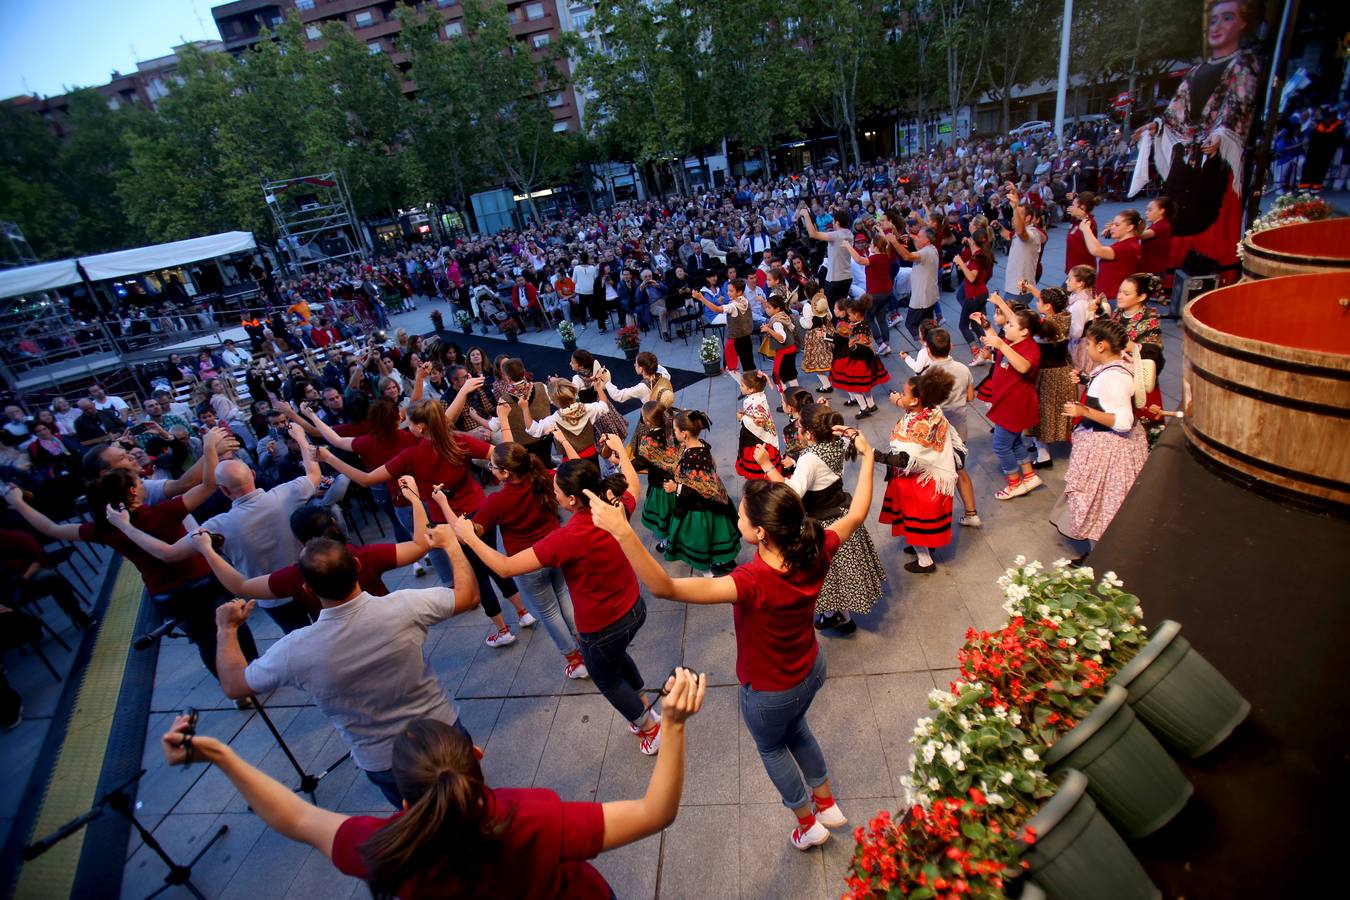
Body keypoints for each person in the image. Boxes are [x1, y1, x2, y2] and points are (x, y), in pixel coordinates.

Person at [156, 668, 707, 896]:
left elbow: (296, 817)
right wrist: (675, 726)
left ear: (401, 797)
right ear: (477, 757)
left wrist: (221, 755)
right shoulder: (530, 817)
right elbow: (654, 813)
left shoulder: (387, 848)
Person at [587, 432, 875, 850]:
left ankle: (808, 823)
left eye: (741, 516)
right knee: (797, 729)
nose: (737, 517)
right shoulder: (817, 547)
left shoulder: (751, 581)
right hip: (811, 668)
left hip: (771, 690)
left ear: (761, 533)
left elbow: (666, 587)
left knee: (772, 747)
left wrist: (623, 533)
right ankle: (827, 803)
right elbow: (859, 511)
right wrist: (867, 457)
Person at [212, 528, 479, 806]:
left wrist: (226, 629)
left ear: (308, 589)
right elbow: (468, 596)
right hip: (442, 730)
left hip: (383, 759)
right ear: (357, 566)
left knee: (420, 821)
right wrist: (451, 545)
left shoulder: (294, 649)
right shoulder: (405, 605)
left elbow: (235, 685)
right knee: (475, 803)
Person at [449, 443, 664, 755]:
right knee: (616, 658)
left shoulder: (566, 539)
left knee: (607, 679)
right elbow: (633, 484)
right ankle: (645, 706)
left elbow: (506, 567)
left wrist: (469, 537)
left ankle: (650, 728)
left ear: (571, 499)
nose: (554, 493)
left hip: (602, 626)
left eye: (558, 491)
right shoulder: (612, 509)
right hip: (634, 606)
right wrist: (619, 446)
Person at [5, 428, 259, 682]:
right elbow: (208, 485)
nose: (139, 477)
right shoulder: (163, 513)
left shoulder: (105, 529)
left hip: (165, 594)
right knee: (234, 625)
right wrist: (209, 448)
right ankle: (252, 674)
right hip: (201, 582)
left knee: (206, 640)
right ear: (133, 492)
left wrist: (18, 503)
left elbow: (51, 529)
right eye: (137, 481)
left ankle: (233, 685)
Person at [317, 398, 532, 647]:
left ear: (420, 427)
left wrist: (329, 459)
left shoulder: (411, 455)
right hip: (479, 510)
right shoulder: (458, 442)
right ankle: (523, 612)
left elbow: (367, 479)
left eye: (409, 422)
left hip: (449, 521)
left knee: (478, 574)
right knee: (492, 560)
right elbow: (500, 454)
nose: (406, 426)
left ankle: (502, 630)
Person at [115, 422, 323, 635]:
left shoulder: (218, 525)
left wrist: (126, 527)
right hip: (308, 581)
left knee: (299, 637)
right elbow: (314, 473)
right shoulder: (287, 493)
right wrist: (300, 437)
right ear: (252, 474)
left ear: (223, 489)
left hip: (272, 597)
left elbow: (168, 554)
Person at [1129, 0, 1261, 281]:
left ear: (1242, 23)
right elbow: (1176, 111)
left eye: (1227, 18)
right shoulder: (1196, 71)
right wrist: (1156, 125)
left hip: (1215, 157)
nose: (1217, 26)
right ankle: (1170, 276)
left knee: (1208, 215)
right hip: (1187, 156)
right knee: (1177, 217)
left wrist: (1221, 135)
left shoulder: (1243, 65)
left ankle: (1214, 275)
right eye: (1213, 20)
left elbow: (1238, 106)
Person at [465, 442, 589, 680]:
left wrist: (446, 508)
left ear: (506, 473)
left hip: (528, 563)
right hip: (556, 550)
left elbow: (475, 530)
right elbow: (572, 468)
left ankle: (575, 661)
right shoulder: (542, 479)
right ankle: (586, 646)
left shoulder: (497, 500)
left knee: (549, 612)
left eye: (493, 467)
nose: (491, 470)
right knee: (565, 597)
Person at [756, 405, 886, 632]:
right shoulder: (837, 443)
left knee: (825, 575)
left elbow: (792, 494)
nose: (796, 429)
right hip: (840, 513)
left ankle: (832, 615)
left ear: (809, 434)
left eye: (799, 426)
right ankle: (841, 615)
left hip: (821, 522)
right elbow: (847, 442)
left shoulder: (809, 459)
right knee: (840, 573)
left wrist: (767, 465)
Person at [187, 504, 427, 618]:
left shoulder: (298, 575)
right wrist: (414, 498)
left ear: (300, 541)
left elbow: (242, 586)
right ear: (334, 524)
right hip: (386, 620)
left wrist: (207, 550)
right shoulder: (365, 556)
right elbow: (419, 546)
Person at [1052, 320, 1150, 551]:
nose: (1086, 348)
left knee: (1101, 506)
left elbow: (1123, 421)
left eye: (1088, 344)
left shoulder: (1112, 377)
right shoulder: (1119, 365)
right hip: (1111, 448)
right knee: (1103, 505)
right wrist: (1086, 380)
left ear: (1101, 346)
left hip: (1108, 453)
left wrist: (1084, 411)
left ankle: (1100, 558)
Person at [876, 370, 966, 574]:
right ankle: (926, 546)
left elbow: (905, 459)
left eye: (904, 394)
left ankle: (925, 560)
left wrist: (874, 454)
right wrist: (899, 401)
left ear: (916, 400)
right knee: (923, 523)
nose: (900, 396)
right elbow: (910, 405)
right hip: (933, 478)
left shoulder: (919, 427)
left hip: (917, 483)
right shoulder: (933, 411)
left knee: (913, 520)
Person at [297, 397, 420, 544]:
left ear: (372, 421)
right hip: (421, 494)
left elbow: (336, 440)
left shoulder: (367, 442)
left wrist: (312, 416)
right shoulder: (413, 438)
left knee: (402, 527)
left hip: (399, 500)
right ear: (399, 417)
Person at [973, 295, 1044, 500]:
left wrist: (1002, 346)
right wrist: (986, 326)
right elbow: (998, 343)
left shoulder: (1030, 348)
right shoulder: (1013, 341)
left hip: (1015, 405)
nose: (1006, 326)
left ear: (1024, 331)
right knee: (1014, 442)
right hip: (1007, 403)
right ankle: (1029, 476)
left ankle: (1014, 483)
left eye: (1011, 324)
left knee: (1000, 446)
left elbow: (1024, 366)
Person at [662, 410, 741, 577]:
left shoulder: (693, 459)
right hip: (716, 501)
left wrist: (676, 488)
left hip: (698, 508)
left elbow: (698, 489)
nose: (673, 433)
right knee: (717, 536)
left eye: (675, 430)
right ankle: (723, 561)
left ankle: (708, 572)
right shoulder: (701, 445)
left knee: (700, 541)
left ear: (684, 434)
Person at [917, 328, 980, 528]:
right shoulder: (963, 369)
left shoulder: (927, 374)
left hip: (937, 433)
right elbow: (971, 397)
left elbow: (921, 406)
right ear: (951, 346)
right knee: (959, 470)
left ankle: (934, 518)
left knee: (935, 475)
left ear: (928, 351)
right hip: (960, 430)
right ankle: (971, 513)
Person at [1026, 285, 1075, 467]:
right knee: (1054, 410)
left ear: (1048, 306)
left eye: (1039, 300)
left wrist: (1000, 303)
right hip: (1063, 371)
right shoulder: (1064, 316)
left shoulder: (1046, 326)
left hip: (1047, 374)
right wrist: (1032, 289)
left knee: (1042, 411)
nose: (1037, 302)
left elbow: (1022, 325)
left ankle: (1043, 454)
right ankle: (1043, 444)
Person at [632, 400, 680, 552]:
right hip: (677, 482)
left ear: (648, 421)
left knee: (662, 515)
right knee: (675, 514)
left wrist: (620, 462)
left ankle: (666, 542)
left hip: (660, 486)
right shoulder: (674, 429)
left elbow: (641, 462)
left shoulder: (649, 441)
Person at [829, 295, 889, 418]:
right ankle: (871, 404)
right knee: (864, 385)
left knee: (853, 386)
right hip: (866, 360)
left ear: (856, 315)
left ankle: (863, 407)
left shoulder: (859, 329)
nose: (848, 317)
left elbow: (861, 346)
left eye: (850, 315)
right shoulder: (863, 324)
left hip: (859, 361)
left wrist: (853, 346)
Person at [1080, 209, 1143, 303]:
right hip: (1110, 296)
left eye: (1117, 225)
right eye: (1112, 224)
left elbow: (1096, 250)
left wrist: (1086, 229)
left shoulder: (1128, 247)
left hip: (1114, 298)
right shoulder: (1129, 243)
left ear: (1129, 227)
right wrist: (1114, 231)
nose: (1112, 227)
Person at [728, 369, 780, 479]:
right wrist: (746, 414)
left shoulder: (754, 402)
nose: (740, 387)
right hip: (762, 438)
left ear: (751, 389)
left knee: (756, 469)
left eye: (742, 385)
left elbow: (754, 424)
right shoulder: (760, 396)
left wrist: (742, 418)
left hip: (755, 441)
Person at [797, 205, 856, 303]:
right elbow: (844, 218)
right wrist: (836, 210)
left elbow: (813, 234)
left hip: (835, 279)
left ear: (837, 222)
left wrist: (806, 215)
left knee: (832, 308)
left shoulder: (836, 235)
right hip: (847, 278)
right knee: (842, 307)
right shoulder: (850, 234)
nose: (832, 223)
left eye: (833, 221)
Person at [698, 276, 756, 373]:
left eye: (731, 291)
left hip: (736, 338)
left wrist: (702, 298)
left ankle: (739, 375)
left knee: (733, 363)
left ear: (739, 292)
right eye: (728, 290)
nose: (728, 293)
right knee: (748, 363)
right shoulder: (744, 300)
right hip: (746, 335)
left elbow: (717, 309)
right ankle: (750, 378)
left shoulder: (733, 306)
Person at [997, 186, 1043, 303]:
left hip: (1019, 290)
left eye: (1018, 214)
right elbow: (1009, 235)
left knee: (1008, 314)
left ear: (1028, 218)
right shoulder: (1019, 232)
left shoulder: (1032, 233)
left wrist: (1015, 207)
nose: (1014, 217)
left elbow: (1021, 232)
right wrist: (998, 227)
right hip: (1016, 288)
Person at [953, 228, 994, 357]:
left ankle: (976, 352)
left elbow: (971, 277)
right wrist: (964, 264)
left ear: (973, 241)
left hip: (974, 296)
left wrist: (961, 263)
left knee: (963, 326)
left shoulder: (977, 257)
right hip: (981, 293)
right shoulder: (981, 255)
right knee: (976, 324)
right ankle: (989, 348)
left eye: (970, 238)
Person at [1097, 273, 1164, 347]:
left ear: (1141, 297)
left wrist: (1132, 347)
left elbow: (1153, 351)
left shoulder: (1150, 320)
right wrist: (1099, 310)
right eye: (1120, 291)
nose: (1119, 297)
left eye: (1126, 294)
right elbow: (1110, 330)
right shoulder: (1119, 310)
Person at [798, 292, 835, 392]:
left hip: (815, 335)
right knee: (829, 358)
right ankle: (830, 382)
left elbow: (808, 325)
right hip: (827, 331)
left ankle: (827, 385)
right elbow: (830, 316)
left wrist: (801, 319)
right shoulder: (822, 301)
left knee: (816, 362)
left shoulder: (807, 306)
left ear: (806, 293)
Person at [1140, 196, 1176, 290]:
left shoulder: (1162, 226)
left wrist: (1125, 227)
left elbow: (1141, 235)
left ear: (1161, 211)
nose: (1146, 213)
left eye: (1150, 210)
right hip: (1152, 268)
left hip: (1155, 271)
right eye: (1146, 210)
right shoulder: (1157, 224)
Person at [1063, 192, 1100, 277]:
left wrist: (1082, 215)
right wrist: (1075, 198)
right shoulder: (1076, 221)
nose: (1071, 207)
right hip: (1073, 268)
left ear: (1083, 207)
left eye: (1073, 205)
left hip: (1083, 272)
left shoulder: (1089, 223)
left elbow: (1086, 221)